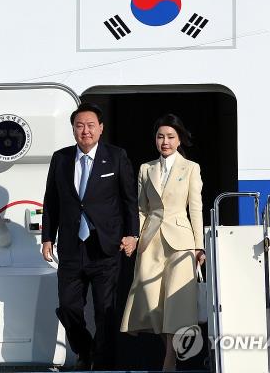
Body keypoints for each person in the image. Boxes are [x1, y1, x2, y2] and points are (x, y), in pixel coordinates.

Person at [41, 103, 139, 370]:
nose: (85, 131)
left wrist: (133, 234)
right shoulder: (60, 159)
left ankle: (104, 363)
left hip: (105, 247)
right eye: (80, 126)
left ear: (101, 128)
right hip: (72, 247)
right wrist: (47, 236)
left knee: (104, 311)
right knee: (69, 307)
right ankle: (86, 351)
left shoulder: (116, 157)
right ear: (73, 129)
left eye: (90, 125)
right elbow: (51, 200)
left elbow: (129, 200)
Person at [120, 114, 205, 371]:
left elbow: (196, 208)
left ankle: (169, 359)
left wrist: (199, 245)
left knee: (176, 303)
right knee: (150, 299)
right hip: (151, 241)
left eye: (170, 137)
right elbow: (141, 209)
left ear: (179, 140)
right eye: (160, 136)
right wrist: (135, 237)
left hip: (181, 241)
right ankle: (170, 349)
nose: (165, 142)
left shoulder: (191, 168)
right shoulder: (146, 169)